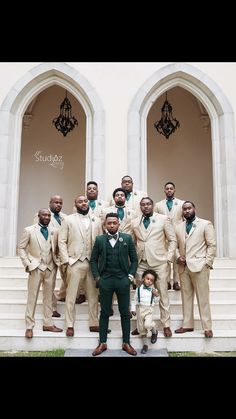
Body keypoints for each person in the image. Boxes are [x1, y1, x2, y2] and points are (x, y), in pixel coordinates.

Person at [90, 213, 138, 356]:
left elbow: (134, 260)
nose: (111, 225)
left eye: (114, 223)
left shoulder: (127, 239)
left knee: (125, 313)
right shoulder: (99, 240)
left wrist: (130, 276)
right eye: (109, 223)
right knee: (104, 312)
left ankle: (126, 343)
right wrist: (98, 278)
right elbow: (93, 260)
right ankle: (102, 343)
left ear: (119, 224)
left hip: (122, 279)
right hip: (105, 280)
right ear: (105, 225)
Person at [131, 197, 177, 338]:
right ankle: (140, 326)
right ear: (140, 207)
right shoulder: (134, 222)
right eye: (143, 205)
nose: (146, 207)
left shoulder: (163, 219)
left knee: (163, 293)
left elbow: (172, 240)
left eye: (148, 204)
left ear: (152, 205)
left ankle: (166, 325)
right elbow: (133, 243)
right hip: (141, 262)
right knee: (140, 295)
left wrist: (168, 258)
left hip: (159, 262)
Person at [59, 195, 103, 337]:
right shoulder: (68, 219)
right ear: (75, 204)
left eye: (85, 201)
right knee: (71, 296)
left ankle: (94, 323)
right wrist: (66, 260)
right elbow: (62, 241)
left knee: (93, 295)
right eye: (80, 201)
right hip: (75, 261)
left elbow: (101, 241)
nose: (83, 203)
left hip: (92, 262)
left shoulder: (97, 220)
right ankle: (70, 325)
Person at [18, 208, 63, 338]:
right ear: (38, 216)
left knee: (49, 297)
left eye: (49, 215)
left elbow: (58, 249)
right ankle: (29, 326)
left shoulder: (55, 231)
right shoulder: (29, 230)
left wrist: (57, 262)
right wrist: (28, 263)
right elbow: (21, 248)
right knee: (32, 297)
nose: (47, 217)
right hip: (35, 267)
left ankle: (48, 323)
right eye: (44, 214)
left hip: (51, 268)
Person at [174, 201, 216, 338]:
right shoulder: (178, 227)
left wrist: (207, 263)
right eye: (184, 209)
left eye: (189, 208)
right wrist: (177, 256)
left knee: (203, 298)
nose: (187, 211)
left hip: (200, 266)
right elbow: (174, 245)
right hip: (183, 266)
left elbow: (212, 245)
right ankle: (187, 325)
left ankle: (207, 327)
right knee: (186, 297)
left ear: (194, 209)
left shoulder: (205, 224)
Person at [76, 181, 110, 304]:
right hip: (82, 242)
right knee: (81, 270)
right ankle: (81, 293)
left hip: (99, 238)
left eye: (93, 189)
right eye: (89, 188)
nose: (91, 190)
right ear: (86, 191)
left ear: (97, 191)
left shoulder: (105, 205)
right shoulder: (80, 205)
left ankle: (100, 293)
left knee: (99, 269)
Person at [33, 195, 68, 314]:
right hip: (48, 255)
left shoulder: (65, 217)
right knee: (50, 283)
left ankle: (62, 294)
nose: (58, 204)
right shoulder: (43, 216)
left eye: (60, 202)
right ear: (50, 203)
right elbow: (37, 235)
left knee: (67, 277)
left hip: (62, 253)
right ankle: (52, 308)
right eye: (56, 202)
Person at [154, 182, 185, 291]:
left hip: (178, 233)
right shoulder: (158, 205)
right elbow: (156, 219)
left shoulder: (181, 203)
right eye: (167, 188)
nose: (169, 190)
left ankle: (176, 281)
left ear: (174, 190)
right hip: (164, 235)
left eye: (171, 188)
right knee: (166, 257)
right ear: (164, 190)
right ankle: (167, 281)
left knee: (178, 258)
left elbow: (185, 219)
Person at [131, 270, 159, 354]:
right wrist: (133, 309)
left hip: (149, 310)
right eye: (148, 279)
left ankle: (154, 331)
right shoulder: (138, 290)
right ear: (143, 279)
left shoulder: (154, 290)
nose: (149, 281)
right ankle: (145, 345)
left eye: (151, 280)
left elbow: (156, 301)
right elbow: (134, 300)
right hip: (140, 310)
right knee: (141, 329)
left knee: (147, 324)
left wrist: (156, 295)